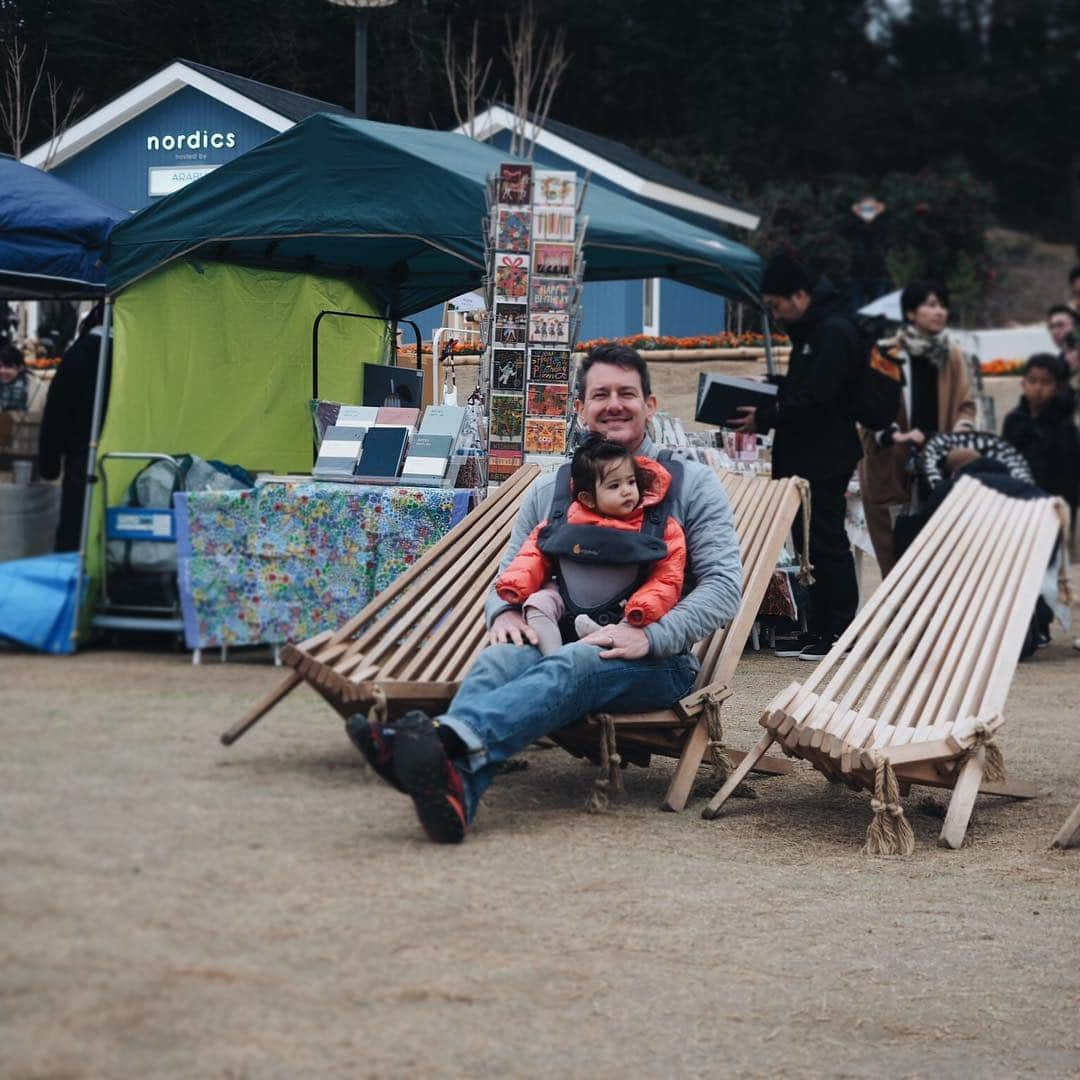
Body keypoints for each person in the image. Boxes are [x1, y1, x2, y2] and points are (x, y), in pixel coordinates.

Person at [345, 344, 742, 843]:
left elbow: (725, 588)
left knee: (579, 663)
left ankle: (442, 741)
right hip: (555, 636)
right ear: (580, 408)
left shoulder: (692, 485)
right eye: (601, 394)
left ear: (651, 405)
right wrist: (505, 611)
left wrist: (654, 636)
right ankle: (455, 794)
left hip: (654, 662)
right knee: (499, 660)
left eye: (627, 393)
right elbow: (513, 570)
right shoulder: (553, 489)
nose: (614, 404)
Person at [729, 252, 862, 661]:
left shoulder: (833, 330)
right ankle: (818, 627)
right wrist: (771, 384)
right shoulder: (814, 331)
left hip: (826, 455)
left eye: (777, 305)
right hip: (804, 454)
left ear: (800, 295)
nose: (776, 313)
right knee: (807, 543)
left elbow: (819, 397)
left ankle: (839, 631)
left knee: (826, 539)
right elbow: (805, 387)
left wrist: (767, 413)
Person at [494, 434, 687, 655]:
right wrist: (516, 584)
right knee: (539, 603)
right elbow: (534, 553)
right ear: (587, 499)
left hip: (626, 613)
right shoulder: (569, 518)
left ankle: (590, 645)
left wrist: (643, 606)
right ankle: (552, 657)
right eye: (614, 486)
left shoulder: (660, 527)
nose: (627, 491)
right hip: (566, 604)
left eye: (632, 482)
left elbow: (667, 577)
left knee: (630, 626)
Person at [858, 280, 976, 576]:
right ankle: (899, 620)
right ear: (911, 313)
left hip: (939, 467)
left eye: (942, 306)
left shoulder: (951, 355)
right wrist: (896, 435)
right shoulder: (886, 353)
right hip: (892, 469)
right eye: (931, 305)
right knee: (895, 560)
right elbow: (868, 408)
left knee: (938, 562)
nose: (939, 312)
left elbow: (966, 404)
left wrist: (961, 427)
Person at [38, 303, 112, 551]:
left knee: (75, 535)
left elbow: (57, 414)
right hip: (130, 462)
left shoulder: (78, 355)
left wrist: (48, 464)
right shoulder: (139, 356)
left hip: (83, 461)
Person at [1001, 354, 1079, 512]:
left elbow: (1072, 469)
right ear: (1023, 384)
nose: (1038, 388)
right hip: (1020, 497)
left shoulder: (1065, 424)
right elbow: (1005, 457)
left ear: (1057, 388)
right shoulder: (1013, 420)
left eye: (1046, 382)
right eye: (1032, 381)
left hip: (1056, 499)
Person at [1047, 304, 1078, 379]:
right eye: (1051, 327)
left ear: (1076, 326)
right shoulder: (1058, 363)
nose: (1055, 331)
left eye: (1060, 325)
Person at [0, 344, 29, 412]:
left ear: (20, 368)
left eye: (8, 367)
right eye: (0, 366)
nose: (1, 371)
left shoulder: (32, 389)